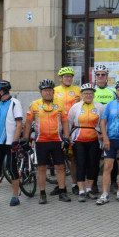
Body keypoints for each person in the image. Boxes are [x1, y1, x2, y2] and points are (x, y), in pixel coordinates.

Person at [24, 78, 71, 205]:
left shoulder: (60, 104)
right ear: (41, 92)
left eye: (50, 90)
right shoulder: (34, 104)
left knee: (60, 167)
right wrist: (25, 138)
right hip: (41, 141)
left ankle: (62, 191)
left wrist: (66, 138)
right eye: (45, 91)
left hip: (57, 140)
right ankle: (42, 193)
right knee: (42, 167)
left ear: (53, 91)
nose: (48, 93)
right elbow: (28, 122)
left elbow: (65, 122)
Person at [0, 79, 24, 207]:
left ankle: (15, 196)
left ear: (2, 92)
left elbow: (19, 124)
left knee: (12, 169)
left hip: (10, 143)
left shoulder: (14, 103)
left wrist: (15, 141)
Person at [66, 82, 103, 202]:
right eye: (86, 93)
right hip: (79, 140)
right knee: (80, 164)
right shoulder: (76, 107)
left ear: (94, 94)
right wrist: (68, 137)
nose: (88, 95)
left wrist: (103, 134)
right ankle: (81, 190)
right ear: (81, 94)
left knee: (93, 164)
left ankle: (89, 189)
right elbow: (68, 122)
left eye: (90, 93)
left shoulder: (99, 107)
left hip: (94, 139)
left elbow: (104, 123)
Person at [53, 66, 82, 195]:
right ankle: (61, 185)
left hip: (73, 127)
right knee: (59, 158)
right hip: (58, 127)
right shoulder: (54, 91)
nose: (69, 78)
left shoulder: (78, 90)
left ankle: (75, 184)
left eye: (70, 76)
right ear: (60, 78)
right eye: (66, 77)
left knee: (73, 157)